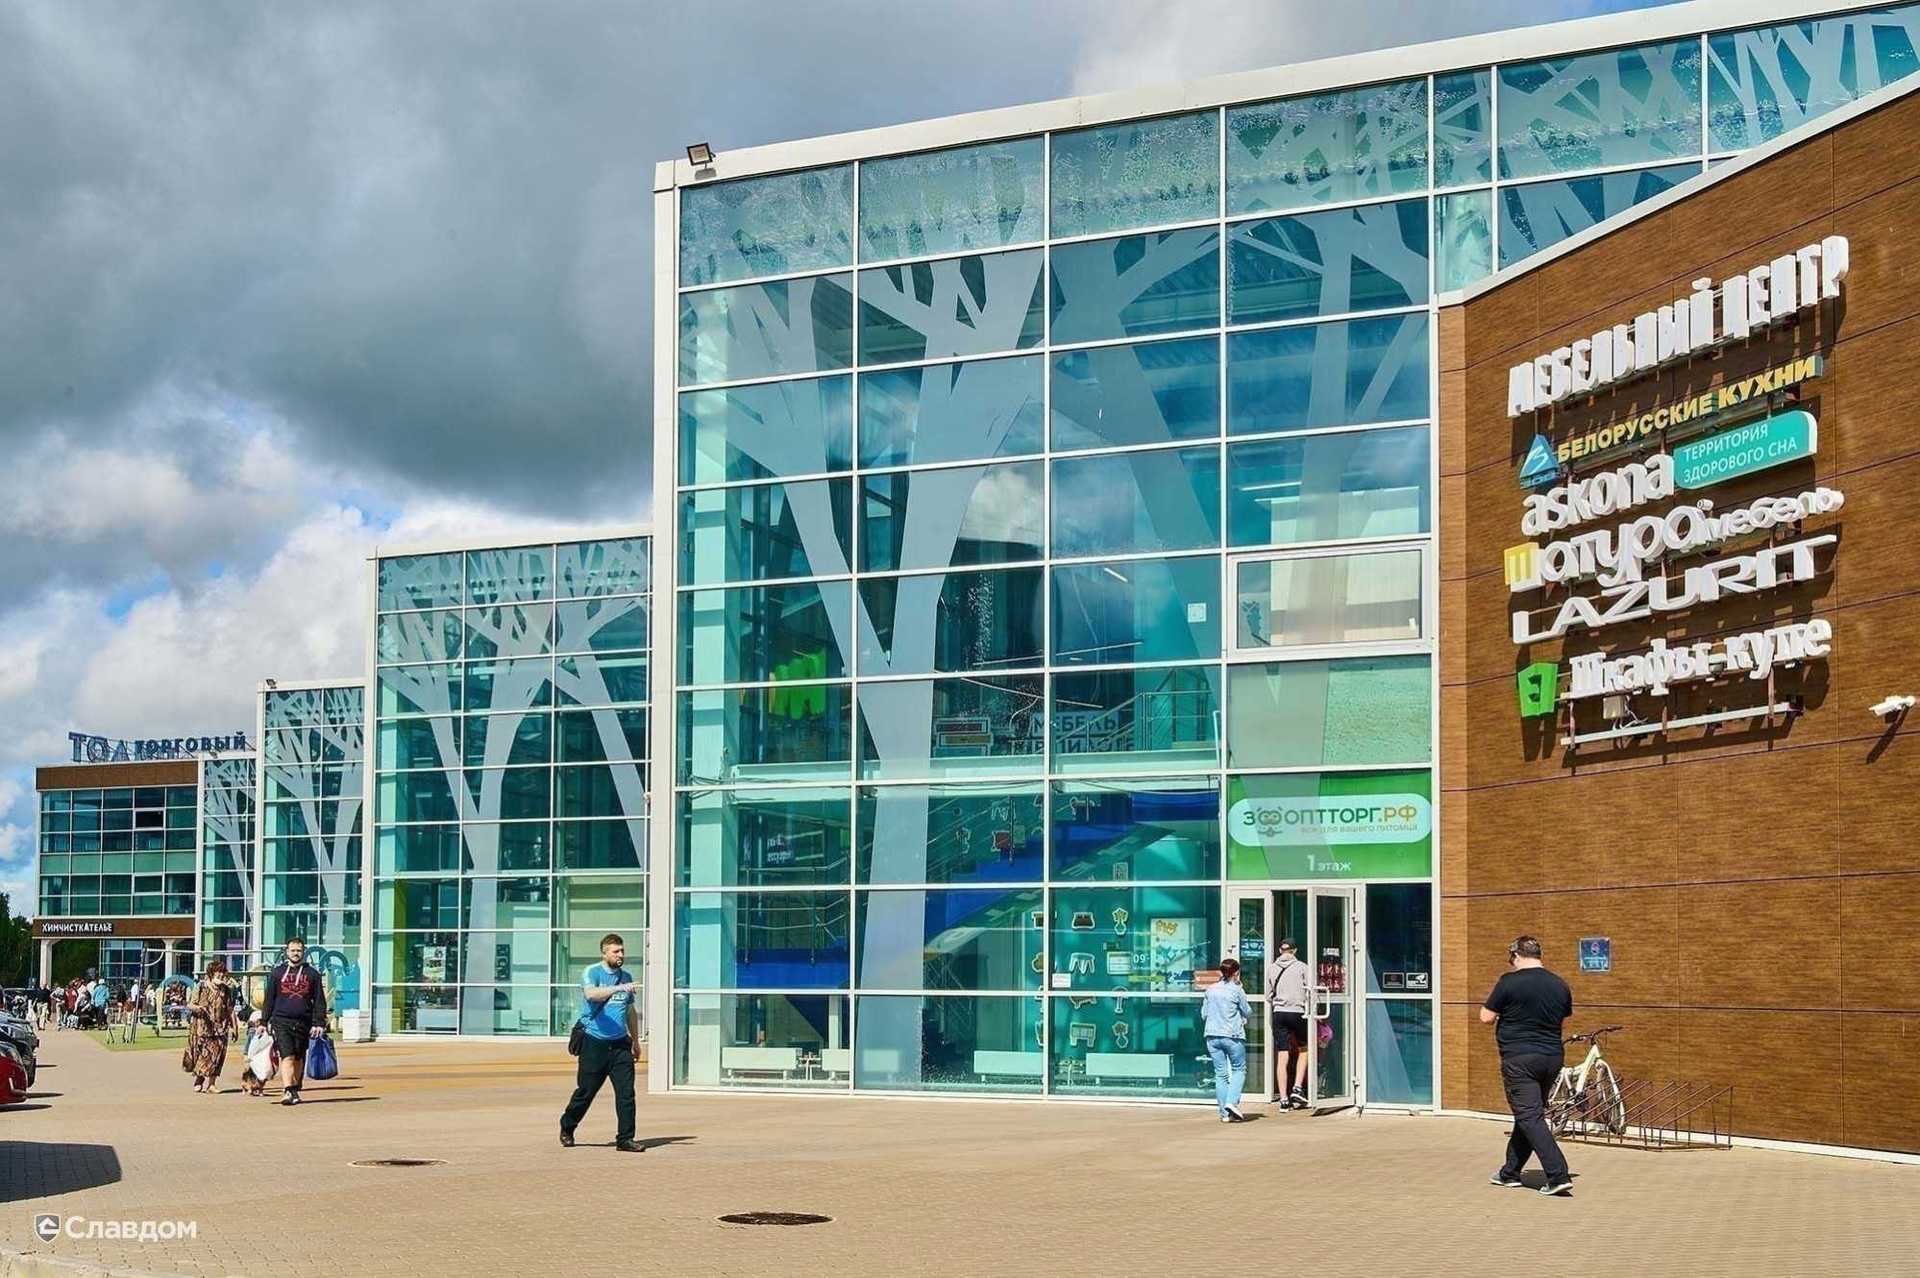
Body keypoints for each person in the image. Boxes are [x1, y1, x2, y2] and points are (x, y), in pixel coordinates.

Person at [1481, 935, 1576, 1196]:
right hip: (1551, 1057)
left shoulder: (1509, 982)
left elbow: (1486, 1017)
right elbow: (1564, 1017)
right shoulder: (1559, 984)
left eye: (1511, 958)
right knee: (1528, 1115)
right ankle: (1509, 1173)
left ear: (1516, 955)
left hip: (1520, 1058)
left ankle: (1557, 1175)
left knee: (1530, 1116)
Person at [559, 933, 640, 1150]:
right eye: (615, 951)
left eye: (622, 951)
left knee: (626, 1094)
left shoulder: (626, 976)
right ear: (604, 953)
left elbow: (630, 1012)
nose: (620, 955)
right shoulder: (592, 972)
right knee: (586, 1092)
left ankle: (625, 1139)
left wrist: (635, 1041)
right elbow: (591, 995)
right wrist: (619, 988)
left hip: (620, 1044)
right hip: (594, 1043)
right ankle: (567, 1126)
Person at [259, 938, 328, 1106]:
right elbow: (269, 999)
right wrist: (263, 1021)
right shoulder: (277, 973)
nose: (296, 953)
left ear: (303, 952)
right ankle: (288, 1090)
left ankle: (295, 1087)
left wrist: (319, 1023)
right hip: (281, 1021)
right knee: (287, 1055)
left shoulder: (312, 974)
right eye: (293, 950)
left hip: (304, 1022)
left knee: (298, 1057)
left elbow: (319, 1000)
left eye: (299, 950)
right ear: (287, 952)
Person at [1200, 957, 1252, 1123]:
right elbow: (1248, 1011)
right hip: (1232, 1036)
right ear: (1236, 972)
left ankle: (1224, 1114)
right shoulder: (1237, 990)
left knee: (1220, 1074)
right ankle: (1231, 1102)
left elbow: (1204, 1014)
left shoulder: (1211, 989)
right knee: (1239, 1069)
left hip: (1212, 1036)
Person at [183, 960, 240, 1094]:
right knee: (204, 1055)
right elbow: (190, 1004)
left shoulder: (226, 990)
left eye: (222, 972)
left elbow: (230, 1010)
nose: (221, 975)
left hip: (221, 1027)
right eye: (218, 972)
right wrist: (198, 1008)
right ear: (211, 973)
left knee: (217, 1056)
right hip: (203, 1027)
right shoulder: (201, 987)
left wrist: (235, 1027)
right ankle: (199, 1078)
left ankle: (212, 1085)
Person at [1267, 939, 1311, 1110]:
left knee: (1282, 1054)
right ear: (1295, 950)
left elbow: (1268, 995)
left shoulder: (1271, 968)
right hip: (1298, 1012)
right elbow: (1311, 991)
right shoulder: (1302, 967)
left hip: (1279, 1013)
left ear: (1280, 950)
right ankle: (1297, 1088)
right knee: (1304, 1049)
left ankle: (1283, 1099)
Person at [240, 1013, 274, 1097]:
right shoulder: (252, 1032)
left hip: (260, 1054)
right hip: (252, 1054)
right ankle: (247, 1084)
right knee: (249, 1070)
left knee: (261, 1071)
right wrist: (246, 1055)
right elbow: (248, 1045)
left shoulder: (266, 1031)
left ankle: (258, 1088)